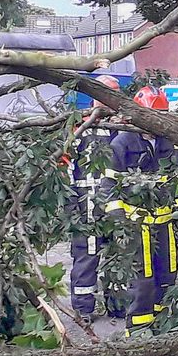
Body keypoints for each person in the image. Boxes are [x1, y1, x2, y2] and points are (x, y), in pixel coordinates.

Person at [107, 86, 178, 336]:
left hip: (164, 225)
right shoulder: (122, 143)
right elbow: (109, 187)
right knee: (142, 279)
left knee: (168, 272)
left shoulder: (166, 142)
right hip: (136, 227)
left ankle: (163, 325)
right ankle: (138, 332)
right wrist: (120, 223)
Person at [67, 75, 122, 323]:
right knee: (86, 254)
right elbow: (65, 167)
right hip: (85, 203)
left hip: (114, 202)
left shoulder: (122, 126)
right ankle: (83, 308)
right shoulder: (77, 126)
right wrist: (70, 205)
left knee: (118, 252)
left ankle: (118, 304)